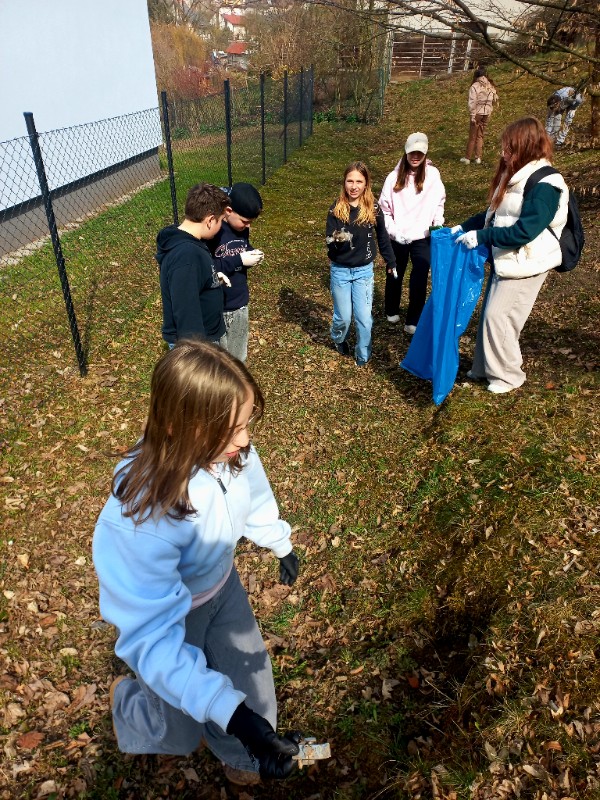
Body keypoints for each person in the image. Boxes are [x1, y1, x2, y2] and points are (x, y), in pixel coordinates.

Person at [93, 340, 302, 786]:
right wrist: (235, 717)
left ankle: (240, 757)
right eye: (232, 431)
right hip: (173, 617)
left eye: (246, 424)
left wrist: (279, 542)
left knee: (255, 692)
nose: (244, 440)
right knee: (180, 732)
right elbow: (154, 640)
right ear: (177, 425)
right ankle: (128, 702)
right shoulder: (141, 518)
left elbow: (255, 492)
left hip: (223, 589)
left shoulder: (228, 451)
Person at [452, 117, 568, 394]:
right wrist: (465, 226)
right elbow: (496, 216)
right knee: (489, 316)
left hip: (527, 261)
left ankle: (508, 375)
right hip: (508, 257)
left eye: (509, 149)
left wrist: (482, 237)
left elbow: (524, 232)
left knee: (499, 318)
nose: (504, 154)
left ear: (527, 148)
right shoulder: (515, 175)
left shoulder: (545, 185)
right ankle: (484, 369)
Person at [326, 161, 396, 366]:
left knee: (364, 319)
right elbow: (329, 244)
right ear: (344, 183)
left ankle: (363, 355)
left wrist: (390, 260)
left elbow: (382, 238)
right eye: (350, 181)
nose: (354, 186)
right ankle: (339, 338)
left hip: (364, 271)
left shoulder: (373, 209)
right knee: (344, 317)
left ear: (366, 184)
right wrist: (336, 241)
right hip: (340, 271)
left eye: (359, 181)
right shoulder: (336, 210)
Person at [379, 132, 446, 334]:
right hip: (398, 236)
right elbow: (384, 210)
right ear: (406, 152)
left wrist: (437, 222)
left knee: (420, 274)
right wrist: (394, 232)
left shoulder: (433, 176)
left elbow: (439, 202)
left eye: (420, 153)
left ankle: (414, 319)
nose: (415, 157)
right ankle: (391, 308)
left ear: (425, 153)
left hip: (422, 236)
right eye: (412, 152)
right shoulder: (393, 178)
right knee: (395, 272)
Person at [156, 183, 229, 348]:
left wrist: (210, 280)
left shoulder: (191, 244)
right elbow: (186, 312)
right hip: (200, 344)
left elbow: (192, 283)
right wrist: (197, 355)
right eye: (221, 221)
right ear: (210, 220)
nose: (222, 227)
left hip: (207, 336)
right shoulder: (186, 256)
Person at [209, 182, 265, 362]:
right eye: (245, 221)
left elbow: (241, 248)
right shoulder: (213, 231)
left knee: (238, 358)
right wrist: (239, 260)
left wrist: (251, 254)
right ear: (228, 211)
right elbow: (209, 267)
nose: (248, 226)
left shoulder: (240, 229)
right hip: (217, 307)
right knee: (217, 360)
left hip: (239, 303)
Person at [460, 66, 499, 165]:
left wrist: (473, 115)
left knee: (472, 136)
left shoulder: (475, 86)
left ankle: (467, 158)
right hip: (487, 113)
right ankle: (478, 158)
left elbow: (472, 102)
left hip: (477, 113)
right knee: (480, 136)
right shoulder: (490, 85)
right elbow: (494, 99)